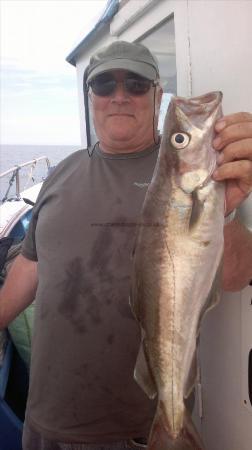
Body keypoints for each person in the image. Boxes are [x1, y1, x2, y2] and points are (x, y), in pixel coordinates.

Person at [0, 40, 252, 450]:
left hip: (139, 431)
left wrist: (220, 211)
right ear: (90, 98)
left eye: (136, 84)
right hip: (46, 420)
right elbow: (31, 265)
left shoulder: (194, 185)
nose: (119, 96)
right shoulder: (61, 173)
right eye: (104, 84)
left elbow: (237, 276)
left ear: (156, 95)